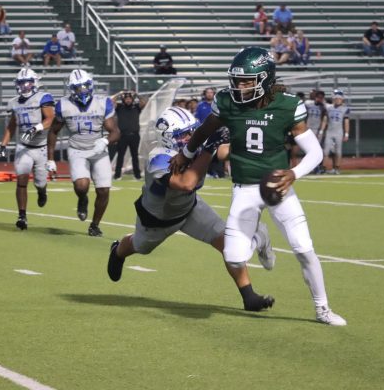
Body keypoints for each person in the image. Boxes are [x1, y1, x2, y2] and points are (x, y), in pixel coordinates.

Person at [170, 46, 347, 326]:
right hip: (244, 187)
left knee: (303, 247)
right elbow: (205, 130)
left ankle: (322, 308)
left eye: (246, 81)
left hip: (278, 186)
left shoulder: (288, 104)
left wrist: (294, 173)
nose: (239, 87)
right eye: (236, 81)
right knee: (234, 256)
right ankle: (260, 238)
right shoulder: (227, 101)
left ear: (266, 79)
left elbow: (315, 153)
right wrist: (187, 153)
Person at [107, 106, 276, 312]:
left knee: (227, 243)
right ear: (169, 137)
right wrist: (208, 148)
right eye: (184, 134)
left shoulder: (197, 146)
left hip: (191, 208)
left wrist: (246, 143)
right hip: (158, 220)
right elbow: (186, 182)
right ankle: (117, 251)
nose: (191, 137)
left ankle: (248, 296)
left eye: (192, 131)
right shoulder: (159, 157)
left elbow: (224, 152)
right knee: (140, 246)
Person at [47, 69, 120, 236]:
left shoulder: (103, 102)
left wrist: (105, 141)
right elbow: (53, 131)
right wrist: (50, 159)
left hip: (98, 149)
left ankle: (94, 225)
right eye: (78, 88)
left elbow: (115, 131)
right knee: (82, 186)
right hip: (77, 149)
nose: (82, 91)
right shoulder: (63, 105)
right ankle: (82, 199)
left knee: (103, 190)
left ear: (91, 85)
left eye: (85, 86)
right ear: (72, 89)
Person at [0, 68, 55, 229]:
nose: (25, 86)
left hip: (41, 148)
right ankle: (22, 216)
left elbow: (50, 119)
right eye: (22, 83)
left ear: (35, 82)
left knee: (40, 183)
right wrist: (3, 144)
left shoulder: (43, 98)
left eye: (28, 82)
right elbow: (11, 126)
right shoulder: (15, 102)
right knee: (21, 180)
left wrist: (35, 128)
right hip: (23, 148)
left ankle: (42, 191)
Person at [112, 90, 146, 180]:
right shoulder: (119, 107)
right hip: (122, 135)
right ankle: (117, 175)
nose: (128, 100)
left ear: (132, 99)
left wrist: (137, 94)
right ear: (123, 99)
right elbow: (111, 102)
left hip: (134, 135)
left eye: (130, 98)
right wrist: (119, 94)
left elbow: (144, 103)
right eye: (126, 98)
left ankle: (137, 175)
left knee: (135, 156)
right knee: (120, 156)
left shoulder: (136, 107)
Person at [318, 90, 350, 174]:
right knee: (326, 151)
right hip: (329, 132)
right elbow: (325, 120)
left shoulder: (345, 109)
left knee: (338, 151)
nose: (337, 100)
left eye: (339, 99)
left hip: (339, 132)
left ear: (342, 99)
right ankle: (323, 168)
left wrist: (346, 133)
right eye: (336, 98)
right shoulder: (329, 108)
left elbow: (346, 122)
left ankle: (337, 168)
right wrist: (321, 131)